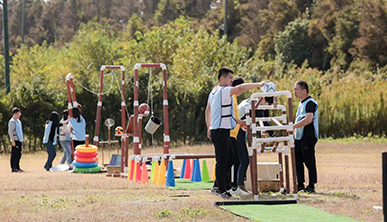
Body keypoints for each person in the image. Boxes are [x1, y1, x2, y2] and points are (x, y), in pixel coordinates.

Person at [205, 67, 267, 199]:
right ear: (222, 78)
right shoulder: (223, 90)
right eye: (230, 78)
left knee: (231, 159)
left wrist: (208, 127)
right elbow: (240, 88)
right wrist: (257, 85)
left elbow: (207, 111)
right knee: (222, 162)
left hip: (220, 130)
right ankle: (221, 191)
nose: (232, 81)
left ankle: (227, 187)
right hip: (220, 131)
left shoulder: (213, 92)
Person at [236, 85, 277, 192]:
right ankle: (239, 185)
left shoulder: (249, 101)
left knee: (241, 160)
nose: (267, 106)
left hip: (238, 132)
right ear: (262, 99)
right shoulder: (254, 107)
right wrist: (273, 136)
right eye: (268, 103)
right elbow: (265, 123)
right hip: (236, 133)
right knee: (244, 161)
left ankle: (237, 184)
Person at [293, 80, 319, 193]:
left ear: (304, 91)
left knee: (309, 161)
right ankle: (300, 184)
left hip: (308, 136)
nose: (294, 92)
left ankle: (311, 185)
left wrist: (292, 127)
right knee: (297, 160)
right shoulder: (301, 102)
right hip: (299, 136)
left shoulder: (310, 103)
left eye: (296, 90)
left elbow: (308, 120)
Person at [228, 77, 249, 196]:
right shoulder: (231, 97)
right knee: (237, 161)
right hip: (232, 133)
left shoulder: (235, 98)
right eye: (241, 88)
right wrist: (242, 123)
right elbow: (232, 117)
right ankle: (235, 185)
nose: (242, 91)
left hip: (236, 133)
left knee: (236, 161)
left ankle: (235, 186)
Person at [8, 107, 24, 173]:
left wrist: (22, 140)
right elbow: (10, 132)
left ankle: (17, 167)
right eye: (18, 113)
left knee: (19, 154)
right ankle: (13, 168)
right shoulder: (12, 122)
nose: (19, 115)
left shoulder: (18, 121)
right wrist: (12, 141)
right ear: (15, 114)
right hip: (15, 140)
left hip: (19, 140)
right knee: (14, 154)